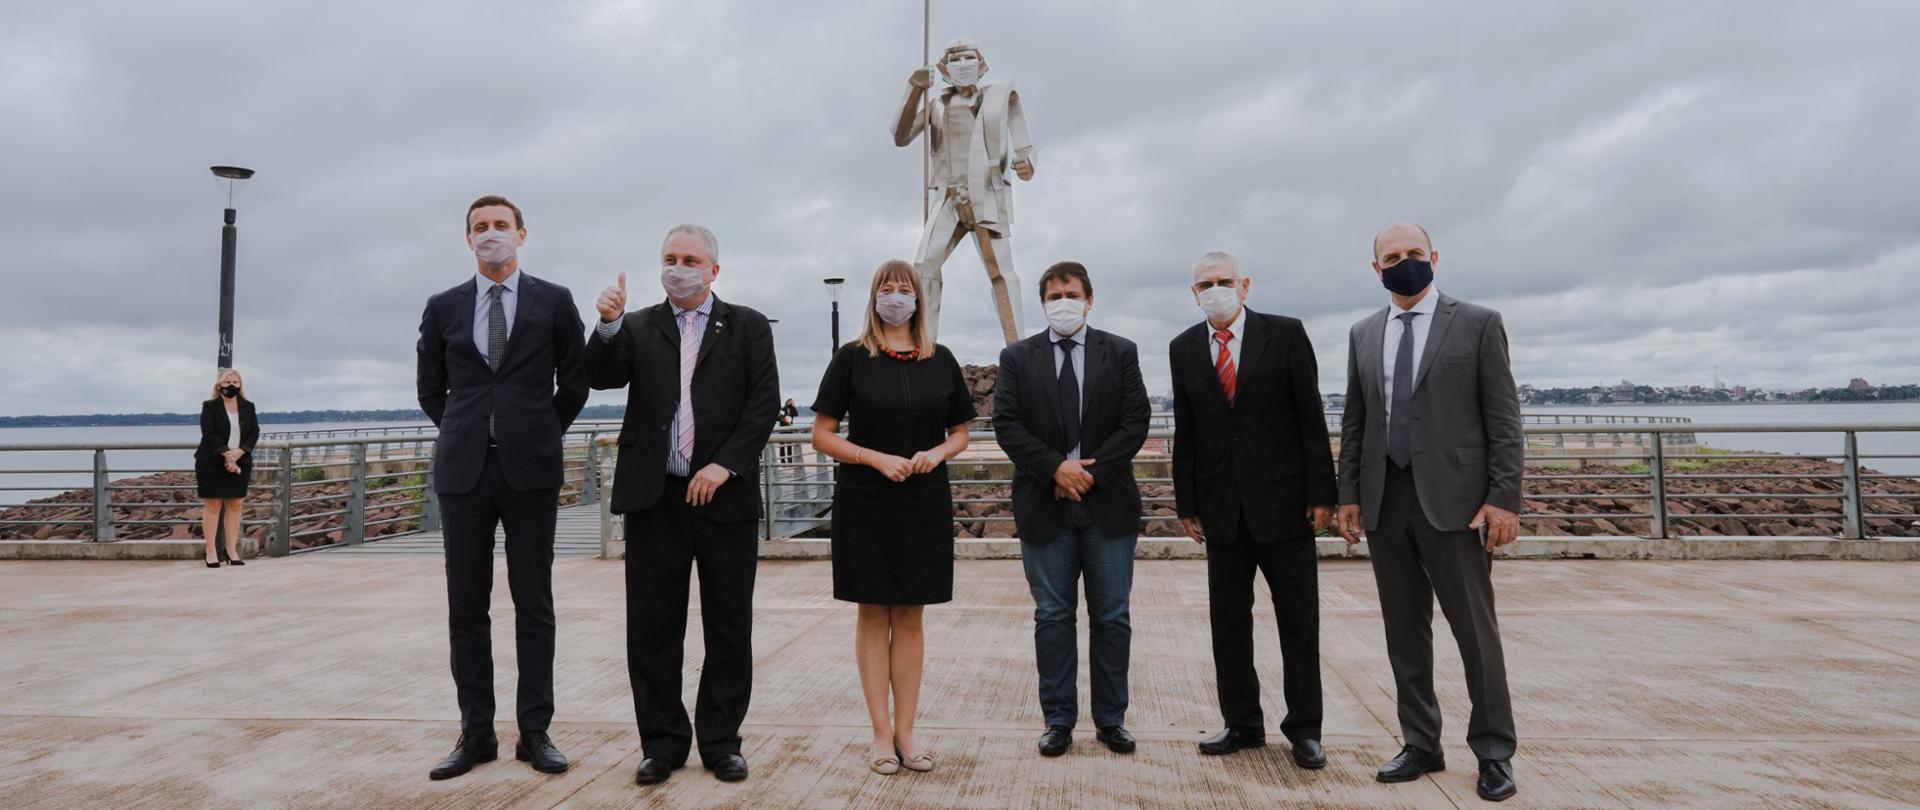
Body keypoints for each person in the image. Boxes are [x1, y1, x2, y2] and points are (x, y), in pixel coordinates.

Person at [587, 224, 778, 787]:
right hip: (655, 497)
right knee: (652, 628)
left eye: (690, 259)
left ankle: (721, 742)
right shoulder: (640, 325)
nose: (678, 267)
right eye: (670, 258)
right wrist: (606, 324)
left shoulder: (746, 325)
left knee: (727, 625)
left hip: (725, 497)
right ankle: (662, 744)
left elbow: (763, 401)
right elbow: (600, 376)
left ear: (714, 269)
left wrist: (724, 465)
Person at [1337, 223, 1522, 802]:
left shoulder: (1478, 323)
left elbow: (1504, 420)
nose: (1404, 263)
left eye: (1414, 254)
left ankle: (1493, 751)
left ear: (1434, 258)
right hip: (1385, 502)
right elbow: (1356, 421)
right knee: (1404, 634)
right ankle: (1421, 742)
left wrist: (1504, 498)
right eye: (1392, 257)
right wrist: (1348, 495)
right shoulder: (1363, 333)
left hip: (1459, 505)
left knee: (1476, 634)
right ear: (1376, 269)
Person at [416, 195, 587, 781]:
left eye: (500, 226)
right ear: (467, 239)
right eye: (480, 228)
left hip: (531, 470)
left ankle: (535, 730)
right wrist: (470, 431)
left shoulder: (555, 301)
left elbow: (576, 382)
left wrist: (536, 429)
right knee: (467, 607)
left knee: (533, 603)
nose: (491, 234)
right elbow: (429, 389)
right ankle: (477, 733)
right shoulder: (443, 306)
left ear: (522, 233)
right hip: (464, 472)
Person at [1169, 251, 1337, 769]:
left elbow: (1311, 417)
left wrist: (1322, 494)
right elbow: (1189, 431)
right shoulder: (1183, 347)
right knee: (1228, 624)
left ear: (1244, 285)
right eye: (1205, 284)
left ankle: (1305, 729)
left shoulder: (1285, 333)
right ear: (1193, 293)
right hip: (1220, 509)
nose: (1215, 290)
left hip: (1285, 506)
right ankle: (1242, 724)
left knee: (1298, 622)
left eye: (1223, 281)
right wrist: (1187, 503)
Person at [809, 260, 974, 775]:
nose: (896, 296)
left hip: (924, 501)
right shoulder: (852, 359)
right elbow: (823, 433)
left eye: (905, 288)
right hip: (866, 501)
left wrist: (937, 453)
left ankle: (907, 733)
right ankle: (880, 734)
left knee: (911, 616)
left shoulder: (940, 359)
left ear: (918, 299)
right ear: (874, 297)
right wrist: (873, 457)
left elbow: (961, 432)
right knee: (873, 614)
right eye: (888, 288)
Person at [991, 261, 1150, 757]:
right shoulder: (1017, 357)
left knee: (1112, 618)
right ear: (1043, 302)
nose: (1064, 302)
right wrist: (1055, 469)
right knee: (1053, 617)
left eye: (1073, 293)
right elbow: (1007, 425)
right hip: (1045, 504)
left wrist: (1088, 474)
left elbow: (1135, 421)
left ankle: (1111, 720)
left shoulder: (1120, 352)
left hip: (1108, 505)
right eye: (1055, 294)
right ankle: (1058, 720)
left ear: (1089, 299)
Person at [194, 367, 257, 568]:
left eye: (236, 382)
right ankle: (211, 551)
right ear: (219, 385)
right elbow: (208, 432)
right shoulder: (210, 406)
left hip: (241, 461)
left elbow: (254, 432)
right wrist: (226, 454)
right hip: (212, 461)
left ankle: (231, 549)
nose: (232, 386)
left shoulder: (248, 406)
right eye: (228, 382)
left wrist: (240, 452)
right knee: (213, 506)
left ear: (241, 385)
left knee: (236, 505)